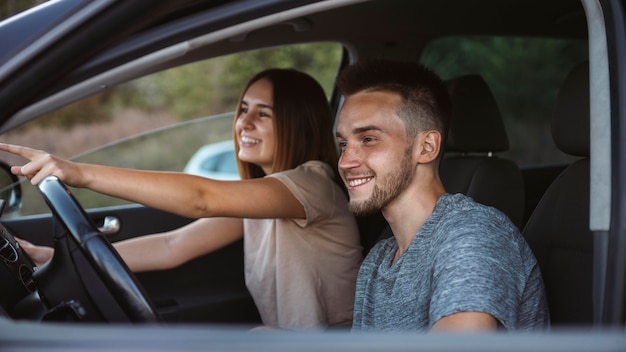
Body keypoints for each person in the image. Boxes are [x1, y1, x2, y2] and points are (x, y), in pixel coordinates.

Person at [0, 68, 363, 330]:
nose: (244, 123)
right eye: (243, 109)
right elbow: (173, 245)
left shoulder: (313, 185)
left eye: (263, 114)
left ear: (297, 123)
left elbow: (201, 198)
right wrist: (59, 258)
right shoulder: (264, 200)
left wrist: (77, 173)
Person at [334, 60, 549, 332]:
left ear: (426, 147)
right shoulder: (379, 260)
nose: (345, 162)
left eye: (368, 139)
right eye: (343, 144)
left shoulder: (472, 235)